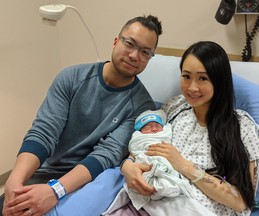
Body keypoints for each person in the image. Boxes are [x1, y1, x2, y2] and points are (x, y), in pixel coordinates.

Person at [1, 15, 163, 216]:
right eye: (130, 43)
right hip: (41, 172)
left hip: (81, 183)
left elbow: (106, 154)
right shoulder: (71, 77)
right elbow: (44, 132)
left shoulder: (141, 106)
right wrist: (15, 180)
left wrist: (56, 190)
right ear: (115, 41)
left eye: (145, 52)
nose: (134, 55)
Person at [120, 41, 259, 216]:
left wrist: (184, 166)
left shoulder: (241, 127)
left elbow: (240, 202)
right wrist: (128, 166)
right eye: (186, 76)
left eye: (203, 78)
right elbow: (145, 143)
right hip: (151, 199)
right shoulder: (174, 108)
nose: (192, 87)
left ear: (219, 81)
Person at [109, 109, 194, 212]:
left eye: (157, 126)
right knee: (143, 176)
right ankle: (153, 187)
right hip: (144, 158)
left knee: (165, 169)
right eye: (148, 127)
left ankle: (164, 185)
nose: (154, 129)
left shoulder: (167, 131)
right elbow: (135, 148)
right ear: (139, 131)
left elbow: (164, 120)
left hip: (164, 158)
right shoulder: (138, 137)